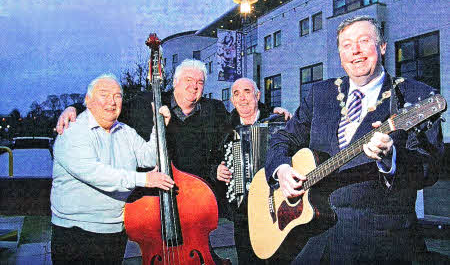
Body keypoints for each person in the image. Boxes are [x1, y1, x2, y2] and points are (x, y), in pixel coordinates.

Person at [265, 16, 443, 264]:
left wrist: (390, 160)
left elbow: (430, 169)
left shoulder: (416, 96)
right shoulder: (321, 94)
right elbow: (282, 138)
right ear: (339, 53)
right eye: (346, 45)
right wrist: (281, 169)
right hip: (315, 236)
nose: (355, 51)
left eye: (364, 41)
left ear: (381, 47)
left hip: (382, 242)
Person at [57, 59, 229, 205]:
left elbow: (227, 140)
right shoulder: (146, 102)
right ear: (176, 82)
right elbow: (111, 109)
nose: (194, 86)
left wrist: (216, 167)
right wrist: (75, 108)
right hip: (154, 200)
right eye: (189, 80)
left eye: (200, 82)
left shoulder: (214, 110)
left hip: (196, 196)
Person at [50, 74, 174, 264]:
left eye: (117, 96)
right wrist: (144, 179)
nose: (112, 101)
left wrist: (159, 128)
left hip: (114, 232)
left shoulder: (125, 131)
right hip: (76, 235)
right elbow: (95, 173)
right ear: (87, 100)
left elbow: (148, 157)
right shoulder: (73, 131)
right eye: (104, 94)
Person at [217, 77, 292, 265]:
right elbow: (210, 159)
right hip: (243, 211)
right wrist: (216, 168)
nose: (242, 98)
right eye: (236, 94)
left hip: (277, 203)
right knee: (247, 259)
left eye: (247, 92)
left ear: (258, 96)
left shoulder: (278, 121)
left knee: (280, 257)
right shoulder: (225, 128)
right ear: (232, 101)